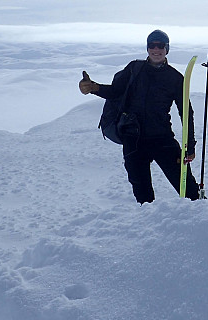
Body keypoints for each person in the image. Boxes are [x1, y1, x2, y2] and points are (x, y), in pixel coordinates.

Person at [79, 29, 200, 203]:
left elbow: (186, 112)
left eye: (160, 46)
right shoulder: (134, 69)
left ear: (167, 49)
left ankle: (201, 216)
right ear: (147, 48)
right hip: (133, 138)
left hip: (162, 137)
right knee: (142, 193)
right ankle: (149, 223)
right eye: (152, 45)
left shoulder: (175, 78)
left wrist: (190, 146)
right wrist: (94, 88)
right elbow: (115, 92)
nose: (156, 50)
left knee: (188, 188)